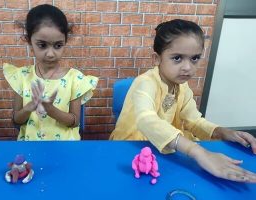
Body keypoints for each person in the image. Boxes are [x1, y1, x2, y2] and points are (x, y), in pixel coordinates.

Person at [110, 19, 256, 183]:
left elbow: (193, 120)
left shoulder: (183, 87)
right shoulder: (146, 83)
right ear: (157, 59)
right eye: (177, 58)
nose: (187, 67)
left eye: (194, 58)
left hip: (166, 150)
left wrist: (221, 132)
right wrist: (198, 152)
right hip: (132, 150)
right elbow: (146, 120)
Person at [3, 4, 98, 141]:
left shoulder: (75, 79)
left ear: (65, 41)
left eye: (58, 45)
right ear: (30, 42)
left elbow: (75, 121)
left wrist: (51, 110)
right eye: (42, 45)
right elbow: (16, 121)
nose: (50, 54)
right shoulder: (21, 77)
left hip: (65, 148)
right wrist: (29, 107)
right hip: (31, 146)